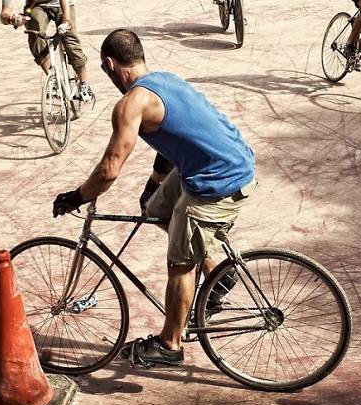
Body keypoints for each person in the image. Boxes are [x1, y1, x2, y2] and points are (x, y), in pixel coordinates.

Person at [52, 29, 256, 367]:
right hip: (225, 161)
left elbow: (109, 169)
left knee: (179, 262)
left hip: (218, 179)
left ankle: (170, 344)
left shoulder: (131, 104)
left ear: (109, 64)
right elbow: (174, 142)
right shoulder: (166, 81)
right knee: (156, 209)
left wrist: (77, 196)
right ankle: (219, 276)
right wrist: (154, 184)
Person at [0, 0, 94, 102]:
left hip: (61, 2)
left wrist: (65, 20)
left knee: (70, 40)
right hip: (38, 7)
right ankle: (53, 79)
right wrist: (12, 19)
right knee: (34, 34)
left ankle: (84, 84)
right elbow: (3, 14)